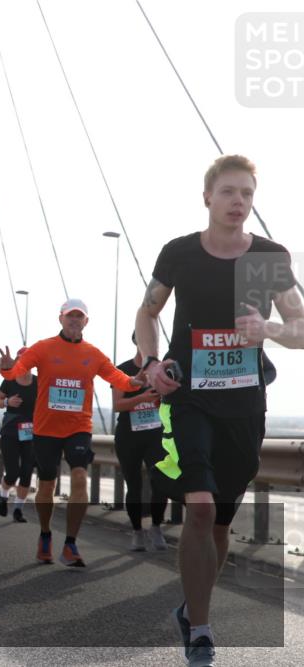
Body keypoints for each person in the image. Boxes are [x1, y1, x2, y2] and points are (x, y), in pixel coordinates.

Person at [135, 155, 302, 667]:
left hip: (244, 403)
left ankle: (191, 607)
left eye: (247, 194)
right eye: (229, 192)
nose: (238, 202)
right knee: (201, 508)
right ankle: (203, 630)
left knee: (222, 517)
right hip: (190, 398)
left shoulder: (269, 258)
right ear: (207, 196)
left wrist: (270, 331)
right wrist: (150, 363)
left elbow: (300, 327)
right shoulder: (181, 253)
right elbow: (148, 311)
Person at [0, 298, 142, 568]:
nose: (75, 321)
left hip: (79, 427)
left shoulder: (94, 354)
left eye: (80, 317)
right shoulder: (43, 348)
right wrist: (6, 366)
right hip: (45, 428)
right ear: (60, 319)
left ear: (86, 321)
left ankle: (71, 543)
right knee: (48, 484)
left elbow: (118, 378)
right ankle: (45, 535)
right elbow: (16, 371)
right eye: (70, 316)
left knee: (79, 478)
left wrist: (138, 381)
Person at [113, 332, 167, 551]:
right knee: (133, 485)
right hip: (129, 434)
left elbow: (173, 402)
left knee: (161, 483)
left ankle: (156, 527)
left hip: (156, 433)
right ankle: (137, 531)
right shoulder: (122, 369)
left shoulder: (164, 368)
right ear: (137, 342)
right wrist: (141, 398)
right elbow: (118, 404)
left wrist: (160, 399)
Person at [0, 348, 38, 523]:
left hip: (31, 432)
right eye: (22, 359)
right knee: (12, 472)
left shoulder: (39, 382)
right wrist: (7, 402)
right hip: (11, 431)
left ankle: (18, 509)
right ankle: (3, 495)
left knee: (27, 472)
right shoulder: (9, 380)